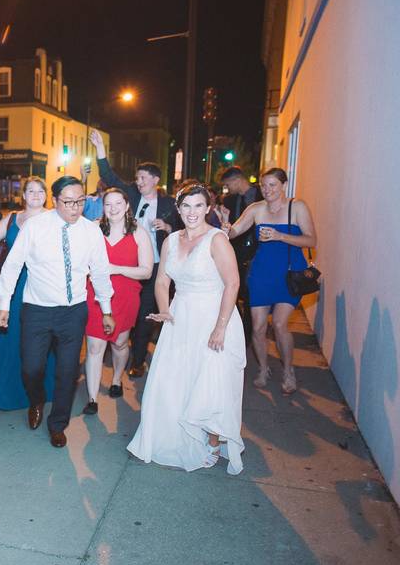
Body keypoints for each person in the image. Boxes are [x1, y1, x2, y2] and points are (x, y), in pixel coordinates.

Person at [127, 183, 246, 475]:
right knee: (177, 378)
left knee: (211, 381)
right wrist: (165, 309)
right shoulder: (171, 240)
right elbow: (162, 281)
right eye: (186, 206)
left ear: (208, 208)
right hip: (180, 316)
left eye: (198, 206)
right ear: (178, 209)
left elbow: (232, 283)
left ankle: (214, 443)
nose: (192, 212)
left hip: (214, 316)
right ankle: (175, 434)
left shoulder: (217, 239)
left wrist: (220, 328)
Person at [0, 176, 115, 448]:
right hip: (37, 310)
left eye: (80, 201)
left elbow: (100, 273)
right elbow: (12, 265)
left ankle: (58, 424)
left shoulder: (91, 231)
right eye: (69, 202)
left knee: (67, 371)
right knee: (31, 368)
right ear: (55, 201)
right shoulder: (35, 227)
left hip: (73, 313)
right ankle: (36, 399)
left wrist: (106, 309)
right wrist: (3, 304)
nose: (75, 208)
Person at [90, 129, 180, 379]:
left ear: (154, 180)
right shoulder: (130, 194)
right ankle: (120, 347)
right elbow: (108, 175)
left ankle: (137, 360)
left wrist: (169, 227)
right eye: (137, 178)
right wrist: (100, 150)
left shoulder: (170, 204)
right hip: (125, 266)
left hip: (154, 267)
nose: (138, 181)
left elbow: (184, 232)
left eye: (142, 178)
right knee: (120, 313)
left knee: (144, 316)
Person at [225, 168, 316, 395]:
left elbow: (311, 240)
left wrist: (280, 236)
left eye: (273, 185)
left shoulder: (298, 207)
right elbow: (236, 230)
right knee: (257, 328)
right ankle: (264, 369)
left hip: (288, 274)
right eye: (264, 186)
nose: (267, 190)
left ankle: (288, 371)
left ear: (283, 185)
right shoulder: (255, 209)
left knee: (279, 324)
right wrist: (227, 228)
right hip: (261, 274)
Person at [0, 177, 56, 411]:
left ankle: (43, 388)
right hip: (14, 283)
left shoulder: (53, 219)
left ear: (46, 195)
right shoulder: (13, 218)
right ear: (23, 195)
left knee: (40, 337)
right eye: (30, 191)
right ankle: (10, 389)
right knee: (11, 334)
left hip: (42, 284)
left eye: (40, 191)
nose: (35, 194)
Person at [81, 189, 153, 415]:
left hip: (126, 296)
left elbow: (146, 272)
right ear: (103, 207)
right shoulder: (93, 229)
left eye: (117, 203)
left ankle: (116, 379)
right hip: (95, 294)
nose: (113, 208)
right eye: (108, 204)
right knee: (94, 347)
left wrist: (115, 269)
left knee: (120, 344)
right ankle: (92, 398)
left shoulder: (139, 232)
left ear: (127, 205)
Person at [220, 166, 263, 343]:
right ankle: (240, 331)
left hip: (258, 251)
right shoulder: (229, 201)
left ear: (237, 180)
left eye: (228, 184)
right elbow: (229, 226)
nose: (227, 188)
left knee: (252, 294)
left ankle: (251, 333)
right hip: (236, 252)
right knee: (234, 291)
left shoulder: (261, 196)